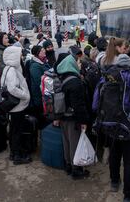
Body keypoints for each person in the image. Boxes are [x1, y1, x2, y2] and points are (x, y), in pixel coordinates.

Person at [93, 54, 130, 202]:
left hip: (111, 127)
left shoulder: (106, 79)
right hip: (129, 128)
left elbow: (95, 104)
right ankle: (128, 196)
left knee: (114, 156)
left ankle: (114, 182)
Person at [53, 49, 89, 180]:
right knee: (75, 143)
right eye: (76, 61)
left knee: (67, 142)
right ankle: (76, 170)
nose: (78, 63)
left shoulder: (61, 77)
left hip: (63, 116)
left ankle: (68, 165)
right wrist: (83, 121)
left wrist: (57, 117)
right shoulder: (75, 82)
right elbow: (78, 104)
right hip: (73, 118)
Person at [1, 46, 32, 165]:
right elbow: (12, 88)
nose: (21, 56)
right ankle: (17, 156)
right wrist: (25, 95)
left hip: (14, 106)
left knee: (14, 129)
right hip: (17, 106)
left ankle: (14, 153)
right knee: (17, 131)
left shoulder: (8, 68)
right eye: (19, 54)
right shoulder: (13, 70)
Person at [29, 45, 49, 128]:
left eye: (44, 49)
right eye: (42, 50)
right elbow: (38, 82)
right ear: (37, 54)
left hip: (44, 93)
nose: (44, 51)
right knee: (41, 116)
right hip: (39, 95)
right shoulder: (35, 66)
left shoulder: (43, 61)